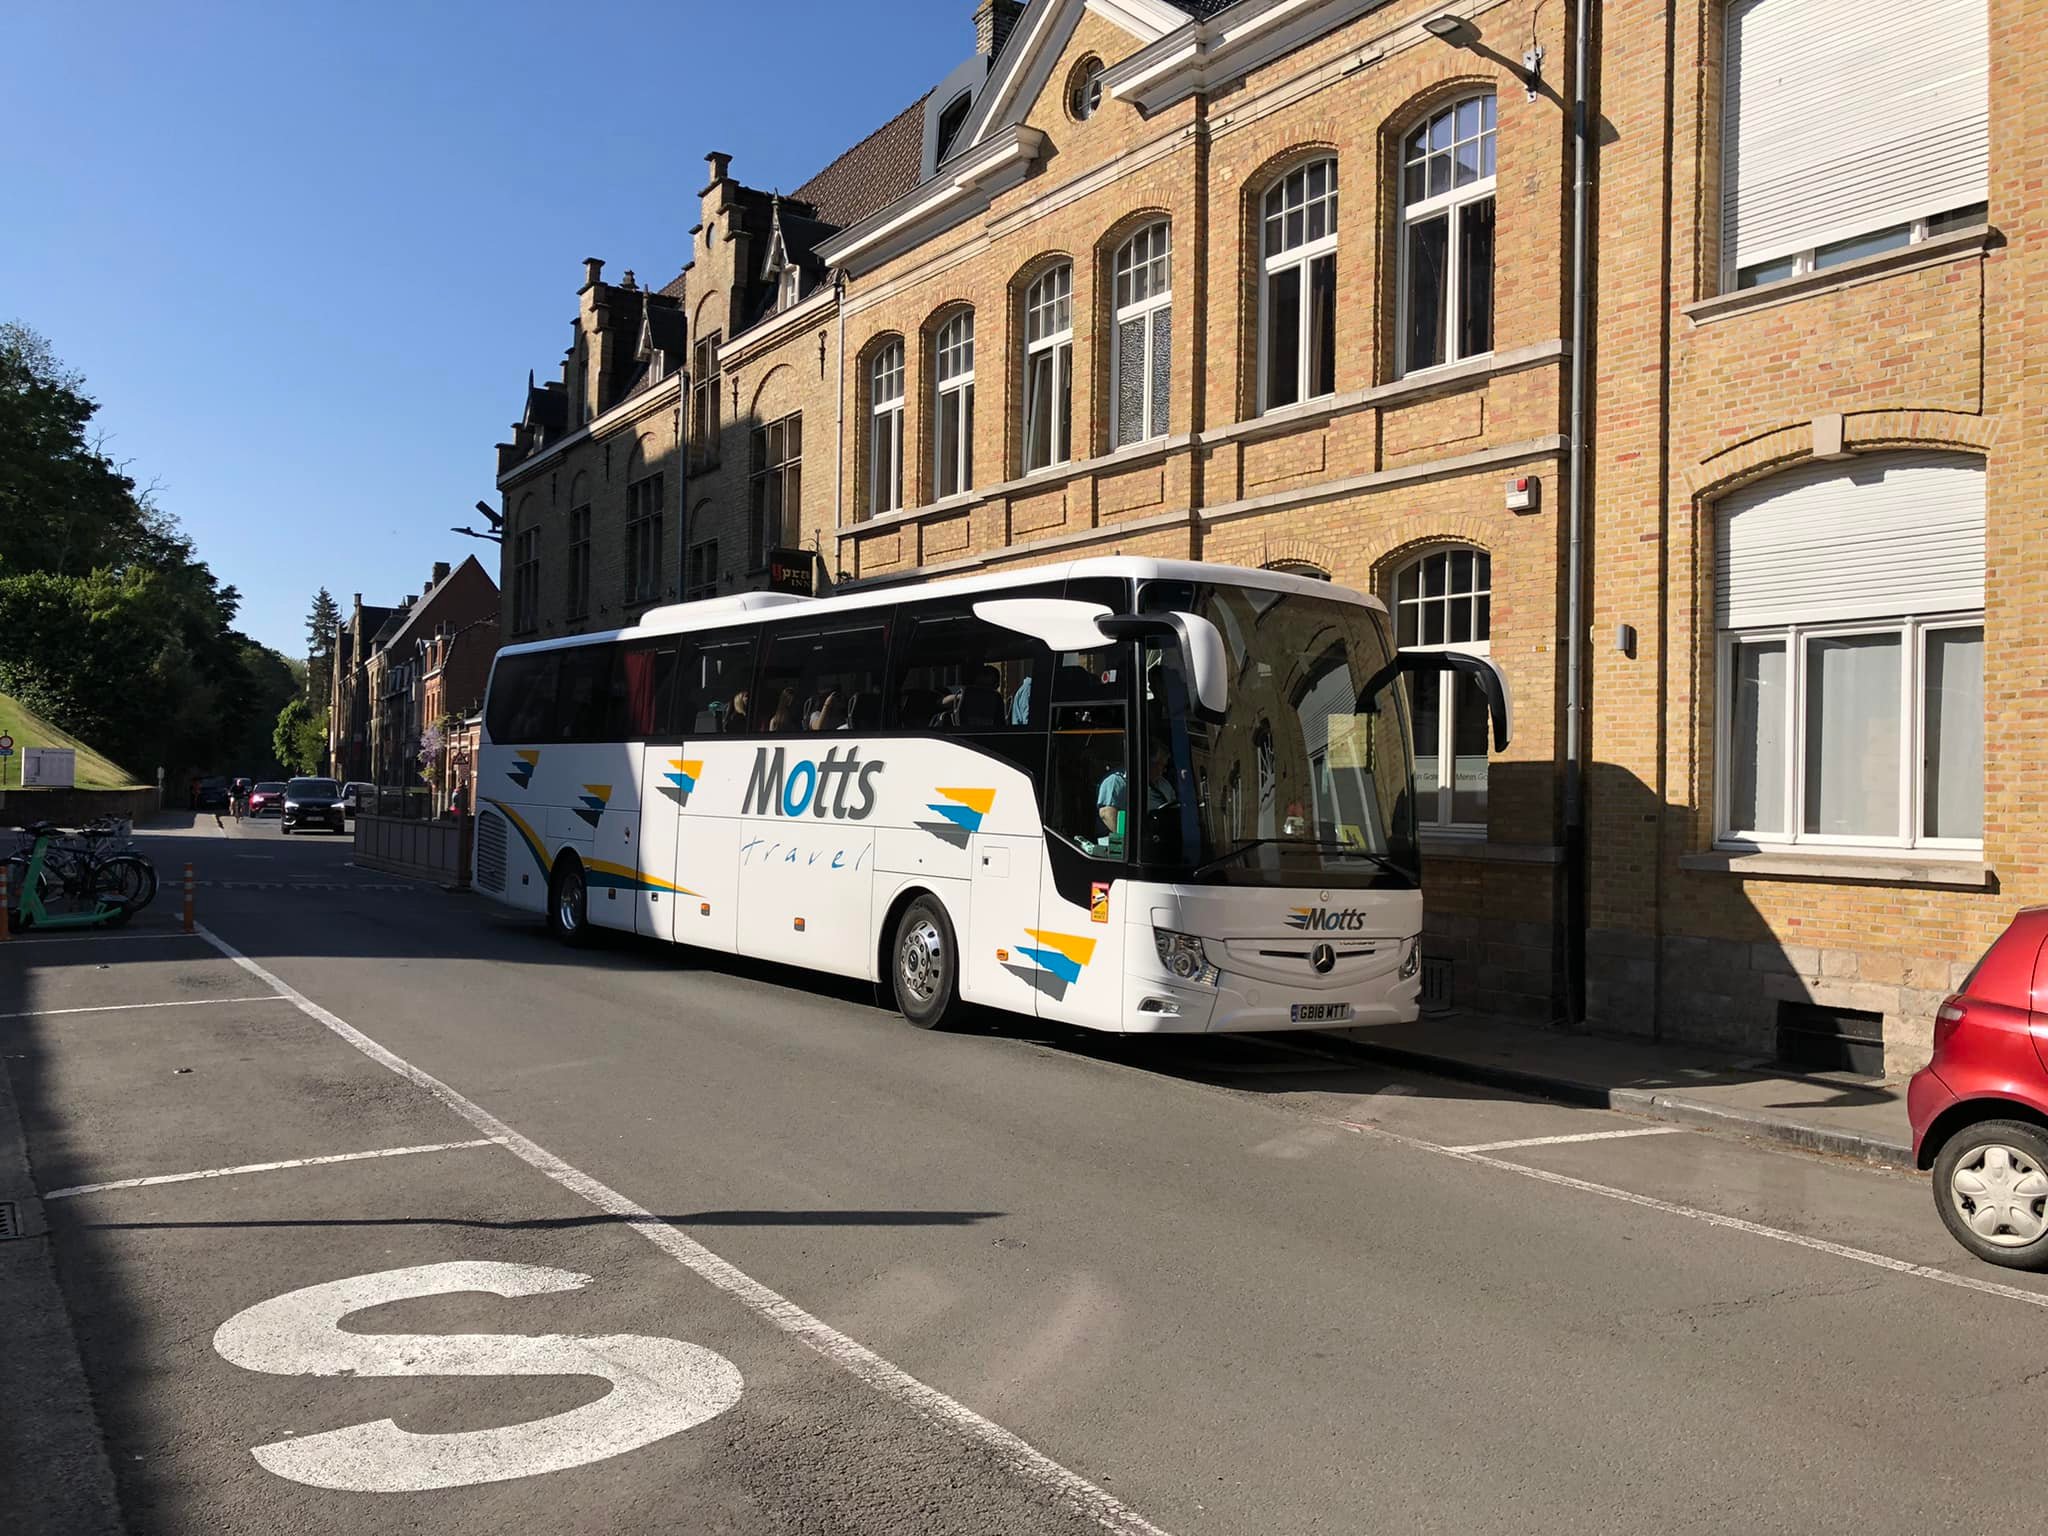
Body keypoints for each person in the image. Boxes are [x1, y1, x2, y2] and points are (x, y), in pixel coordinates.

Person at [1098, 740, 1175, 836]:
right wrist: (1129, 841)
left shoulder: (1164, 784)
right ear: (1148, 762)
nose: (1164, 770)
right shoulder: (1118, 781)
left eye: (1165, 766)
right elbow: (1107, 813)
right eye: (1161, 765)